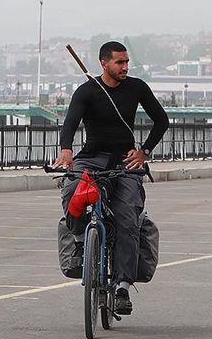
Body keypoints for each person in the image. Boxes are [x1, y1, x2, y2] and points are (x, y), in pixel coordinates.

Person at [51, 41, 169, 315]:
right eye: (119, 62)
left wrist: (144, 152)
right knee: (71, 192)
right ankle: (81, 242)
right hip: (91, 157)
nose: (125, 67)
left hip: (125, 160)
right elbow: (70, 123)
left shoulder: (137, 87)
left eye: (127, 62)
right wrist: (66, 151)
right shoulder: (88, 91)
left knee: (128, 216)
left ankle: (123, 287)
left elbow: (161, 120)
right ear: (104, 64)